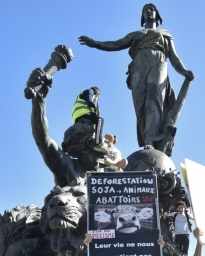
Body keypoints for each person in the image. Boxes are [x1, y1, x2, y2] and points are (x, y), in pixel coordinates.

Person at [79, 4, 195, 154]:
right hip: (138, 69)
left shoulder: (164, 33)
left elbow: (174, 57)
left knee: (152, 102)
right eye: (145, 10)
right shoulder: (136, 35)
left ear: (157, 14)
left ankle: (150, 140)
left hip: (158, 64)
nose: (148, 11)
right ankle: (148, 136)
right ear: (142, 16)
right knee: (140, 107)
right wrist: (95, 43)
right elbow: (115, 44)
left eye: (151, 9)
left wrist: (184, 71)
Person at [71, 87, 106, 153]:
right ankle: (98, 143)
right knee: (100, 120)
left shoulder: (82, 93)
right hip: (82, 113)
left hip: (76, 117)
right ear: (97, 95)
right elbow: (89, 102)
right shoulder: (90, 91)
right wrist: (95, 107)